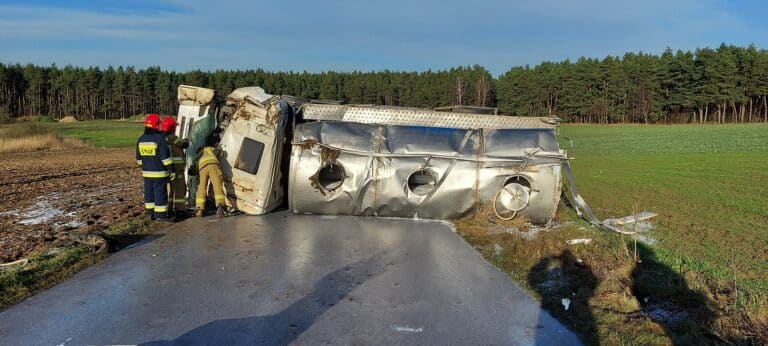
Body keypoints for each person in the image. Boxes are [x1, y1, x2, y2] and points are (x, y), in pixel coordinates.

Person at [136, 113, 173, 221]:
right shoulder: (159, 138)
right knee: (160, 193)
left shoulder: (141, 139)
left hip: (146, 173)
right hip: (159, 173)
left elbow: (139, 159)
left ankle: (150, 213)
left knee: (149, 193)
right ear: (156, 125)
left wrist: (146, 166)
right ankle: (160, 216)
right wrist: (171, 169)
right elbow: (165, 157)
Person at [159, 117, 189, 217]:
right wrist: (187, 140)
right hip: (176, 168)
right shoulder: (172, 137)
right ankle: (180, 210)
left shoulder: (160, 138)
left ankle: (169, 209)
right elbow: (183, 144)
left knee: (170, 190)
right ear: (172, 128)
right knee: (179, 189)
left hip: (166, 167)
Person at [190, 139, 227, 217]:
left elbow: (193, 165)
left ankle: (199, 209)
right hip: (213, 165)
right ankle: (220, 207)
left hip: (202, 167)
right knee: (217, 185)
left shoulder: (199, 154)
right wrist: (220, 150)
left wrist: (193, 172)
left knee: (201, 187)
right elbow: (219, 153)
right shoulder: (210, 149)